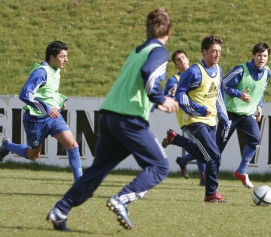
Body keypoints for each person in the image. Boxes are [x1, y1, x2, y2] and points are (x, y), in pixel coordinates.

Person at [46, 8, 178, 231]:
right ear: (169, 31)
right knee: (159, 166)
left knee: (98, 170)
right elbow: (149, 74)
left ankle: (61, 209)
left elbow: (135, 82)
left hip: (109, 115)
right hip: (129, 118)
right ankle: (122, 199)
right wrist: (160, 98)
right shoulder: (159, 52)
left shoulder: (138, 51)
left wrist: (155, 101)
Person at [0, 41, 82, 182]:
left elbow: (48, 92)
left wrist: (59, 102)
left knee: (73, 145)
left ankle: (80, 184)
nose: (66, 60)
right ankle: (6, 145)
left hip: (53, 118)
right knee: (33, 156)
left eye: (66, 56)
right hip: (35, 120)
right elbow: (25, 94)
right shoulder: (41, 72)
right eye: (62, 57)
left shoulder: (55, 70)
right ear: (52, 57)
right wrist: (47, 108)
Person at [163, 35, 229, 202]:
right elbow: (180, 96)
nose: (217, 54)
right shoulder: (194, 71)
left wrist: (224, 116)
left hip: (211, 121)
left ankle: (175, 139)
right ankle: (211, 193)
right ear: (204, 51)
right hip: (193, 122)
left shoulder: (218, 69)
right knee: (214, 155)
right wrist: (199, 110)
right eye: (213, 51)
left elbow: (218, 94)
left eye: (219, 51)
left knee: (206, 155)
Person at [216, 43, 271, 188]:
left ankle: (241, 171)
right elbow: (223, 84)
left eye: (265, 55)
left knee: (255, 141)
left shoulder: (267, 72)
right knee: (217, 147)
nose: (262, 58)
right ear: (253, 55)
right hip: (230, 113)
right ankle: (208, 174)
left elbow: (261, 89)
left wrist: (259, 105)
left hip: (247, 114)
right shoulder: (241, 70)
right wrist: (238, 94)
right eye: (259, 55)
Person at [163, 50, 206, 185]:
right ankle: (204, 178)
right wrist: (171, 92)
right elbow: (166, 98)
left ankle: (182, 158)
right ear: (176, 65)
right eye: (178, 60)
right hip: (187, 117)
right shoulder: (174, 80)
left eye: (183, 58)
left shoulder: (196, 74)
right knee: (203, 146)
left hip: (203, 114)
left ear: (188, 59)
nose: (182, 61)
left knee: (203, 147)